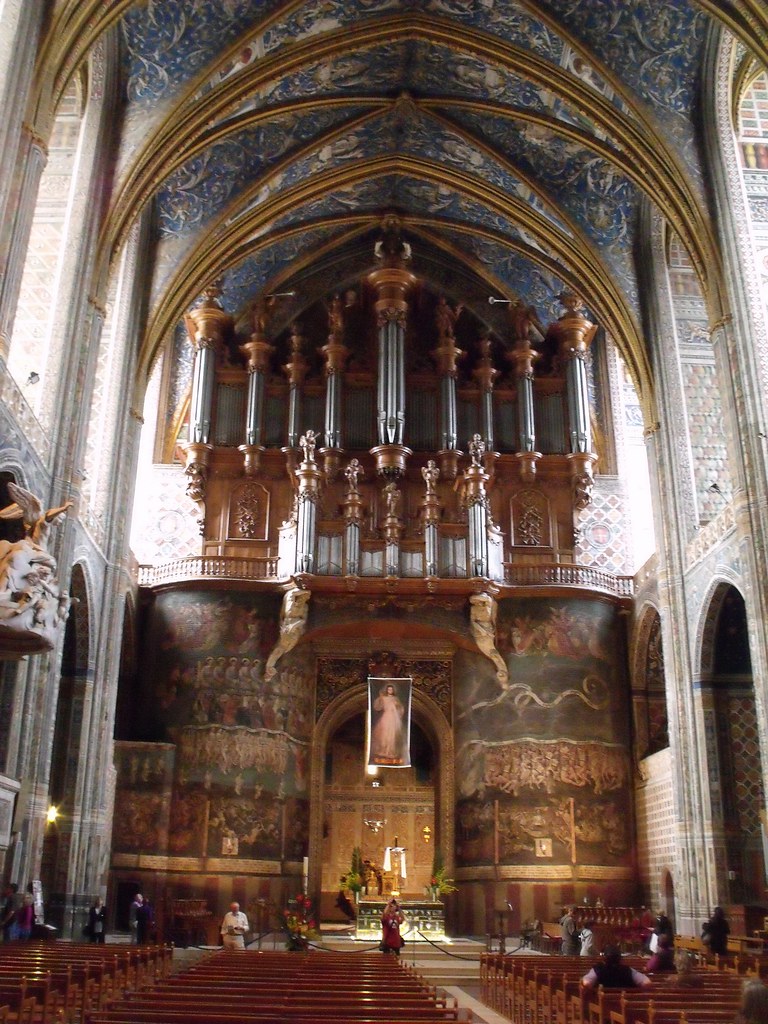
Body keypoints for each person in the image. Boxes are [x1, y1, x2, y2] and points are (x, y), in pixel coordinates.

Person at [581, 945, 652, 989]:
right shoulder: (627, 970)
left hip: (604, 1003)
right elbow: (647, 983)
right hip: (626, 1006)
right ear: (620, 959)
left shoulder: (598, 969)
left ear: (604, 958)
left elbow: (587, 983)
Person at [371, 684, 405, 763]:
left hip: (394, 718)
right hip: (386, 716)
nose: (390, 691)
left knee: (392, 735)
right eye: (389, 689)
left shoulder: (395, 699)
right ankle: (383, 750)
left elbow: (400, 709)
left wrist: (398, 706)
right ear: (387, 690)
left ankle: (390, 751)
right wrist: (380, 698)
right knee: (384, 734)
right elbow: (377, 707)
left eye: (391, 689)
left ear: (393, 691)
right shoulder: (384, 698)